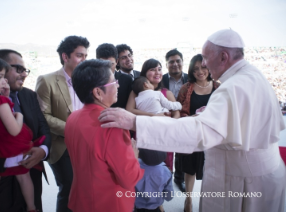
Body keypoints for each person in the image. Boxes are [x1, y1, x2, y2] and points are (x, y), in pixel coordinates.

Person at [99, 29, 286, 212]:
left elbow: (199, 133)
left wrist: (135, 122)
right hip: (260, 174)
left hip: (243, 183)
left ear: (223, 57)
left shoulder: (232, 87)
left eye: (205, 57)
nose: (203, 63)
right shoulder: (252, 75)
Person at [0, 49, 51, 212]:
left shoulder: (29, 95)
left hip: (29, 179)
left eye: (25, 70)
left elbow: (43, 128)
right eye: (18, 69)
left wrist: (43, 150)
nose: (24, 74)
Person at [65, 59, 144, 212]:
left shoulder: (73, 118)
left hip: (81, 200)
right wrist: (134, 156)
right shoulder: (112, 124)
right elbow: (129, 179)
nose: (118, 85)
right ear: (98, 92)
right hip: (110, 204)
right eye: (114, 82)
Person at [35, 35, 89, 212]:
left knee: (84, 188)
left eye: (85, 56)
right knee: (68, 188)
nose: (83, 60)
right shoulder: (47, 80)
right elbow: (43, 116)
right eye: (79, 55)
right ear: (65, 57)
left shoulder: (87, 82)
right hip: (61, 145)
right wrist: (74, 130)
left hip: (87, 144)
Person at [177, 54, 220, 212]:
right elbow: (178, 111)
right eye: (195, 69)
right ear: (191, 72)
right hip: (192, 134)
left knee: (212, 168)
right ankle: (188, 200)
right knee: (190, 169)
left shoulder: (218, 87)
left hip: (213, 136)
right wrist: (191, 118)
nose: (200, 71)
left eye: (202, 67)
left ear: (208, 67)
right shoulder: (186, 88)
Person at [126, 59, 179, 172]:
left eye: (159, 69)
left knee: (164, 170)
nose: (157, 72)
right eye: (152, 70)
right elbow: (129, 110)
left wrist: (170, 126)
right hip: (143, 134)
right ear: (145, 73)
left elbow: (176, 113)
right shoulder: (135, 93)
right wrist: (154, 115)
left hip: (165, 135)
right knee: (141, 169)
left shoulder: (166, 93)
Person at [162, 49, 187, 192]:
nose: (175, 64)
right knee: (167, 153)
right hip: (166, 121)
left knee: (182, 152)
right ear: (167, 64)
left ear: (183, 62)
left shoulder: (190, 79)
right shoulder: (161, 79)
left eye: (178, 61)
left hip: (184, 120)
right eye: (171, 61)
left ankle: (179, 178)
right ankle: (166, 179)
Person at [96, 43, 133, 108]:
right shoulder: (92, 80)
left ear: (117, 61)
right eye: (104, 64)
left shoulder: (127, 80)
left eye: (111, 64)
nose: (107, 68)